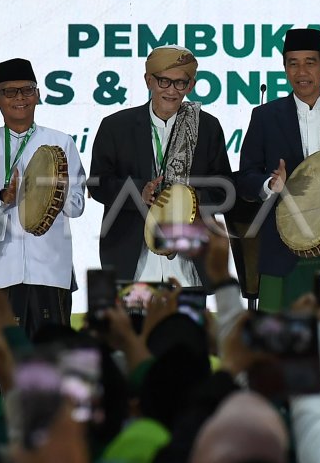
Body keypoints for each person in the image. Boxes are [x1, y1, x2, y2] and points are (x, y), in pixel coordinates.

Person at [237, 28, 320, 310]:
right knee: (274, 339)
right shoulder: (264, 116)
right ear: (285, 68)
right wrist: (270, 185)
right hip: (280, 247)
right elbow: (245, 177)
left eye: (310, 62)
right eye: (293, 63)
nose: (302, 71)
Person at [88, 46, 232, 285]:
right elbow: (98, 183)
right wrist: (139, 191)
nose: (172, 91)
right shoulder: (116, 126)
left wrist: (191, 199)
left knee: (187, 324)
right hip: (134, 264)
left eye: (180, 83)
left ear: (191, 86)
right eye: (164, 82)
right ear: (149, 81)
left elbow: (225, 188)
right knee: (135, 324)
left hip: (189, 266)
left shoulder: (206, 127)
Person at [0, 57, 86, 332]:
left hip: (51, 271)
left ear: (38, 95)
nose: (20, 98)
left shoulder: (60, 141)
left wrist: (49, 191)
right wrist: (3, 198)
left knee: (52, 363)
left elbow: (77, 206)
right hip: (0, 272)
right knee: (4, 365)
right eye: (10, 91)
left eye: (27, 90)